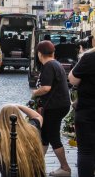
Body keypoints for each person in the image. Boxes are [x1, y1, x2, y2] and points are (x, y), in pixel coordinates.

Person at [32, 40, 71, 176]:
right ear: (53, 52)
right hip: (59, 105)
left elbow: (46, 88)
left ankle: (65, 168)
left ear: (39, 53)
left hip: (55, 106)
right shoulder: (56, 64)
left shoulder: (49, 65)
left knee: (53, 137)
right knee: (44, 136)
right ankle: (37, 166)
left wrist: (35, 93)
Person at [0, 104, 45, 177]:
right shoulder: (31, 129)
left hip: (8, 173)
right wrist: (19, 106)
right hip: (33, 172)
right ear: (19, 115)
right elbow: (38, 116)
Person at [68, 29, 95, 177]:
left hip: (88, 111)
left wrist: (83, 56)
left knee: (86, 151)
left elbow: (72, 79)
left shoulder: (89, 58)